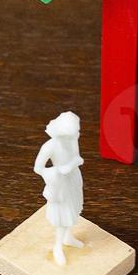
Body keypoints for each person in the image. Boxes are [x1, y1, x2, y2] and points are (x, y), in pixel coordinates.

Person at [35, 112, 85, 265]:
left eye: (73, 135)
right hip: (60, 184)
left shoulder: (72, 139)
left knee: (74, 210)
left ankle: (68, 237)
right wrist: (57, 172)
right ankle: (57, 246)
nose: (71, 139)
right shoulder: (49, 146)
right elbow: (38, 168)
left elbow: (77, 158)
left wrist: (70, 166)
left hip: (73, 178)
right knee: (62, 217)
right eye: (67, 136)